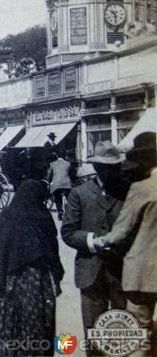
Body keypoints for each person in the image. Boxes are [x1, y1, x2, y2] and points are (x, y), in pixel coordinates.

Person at [0, 179, 64, 357]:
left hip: (10, 285)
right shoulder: (44, 217)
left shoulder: (6, 216)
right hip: (39, 285)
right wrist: (57, 279)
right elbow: (53, 255)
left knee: (8, 328)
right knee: (38, 329)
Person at [93, 132, 157, 357]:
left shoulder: (142, 188)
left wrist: (101, 240)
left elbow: (121, 231)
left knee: (140, 334)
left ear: (146, 161)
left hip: (143, 274)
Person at [61, 141, 127, 353]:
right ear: (97, 167)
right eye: (105, 167)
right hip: (90, 272)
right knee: (93, 335)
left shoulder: (127, 192)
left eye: (114, 166)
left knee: (122, 334)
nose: (110, 171)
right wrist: (91, 241)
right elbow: (68, 232)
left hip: (121, 272)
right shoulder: (79, 194)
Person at [47, 150, 73, 220]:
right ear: (65, 156)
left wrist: (49, 182)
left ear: (56, 156)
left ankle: (59, 212)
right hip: (67, 184)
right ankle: (70, 212)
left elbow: (49, 175)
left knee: (57, 198)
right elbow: (71, 173)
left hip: (56, 185)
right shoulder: (68, 163)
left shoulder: (52, 164)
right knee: (69, 198)